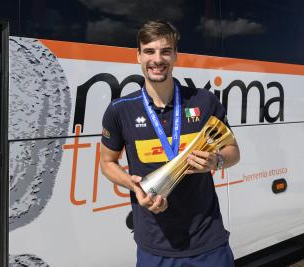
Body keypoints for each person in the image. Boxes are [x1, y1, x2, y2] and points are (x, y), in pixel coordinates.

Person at [100, 20, 240, 267]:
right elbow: (107, 163)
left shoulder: (204, 100)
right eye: (149, 51)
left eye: (165, 51)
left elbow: (233, 151)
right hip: (155, 246)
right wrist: (133, 185)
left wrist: (216, 161)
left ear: (175, 56)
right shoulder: (119, 110)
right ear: (138, 56)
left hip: (209, 242)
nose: (157, 59)